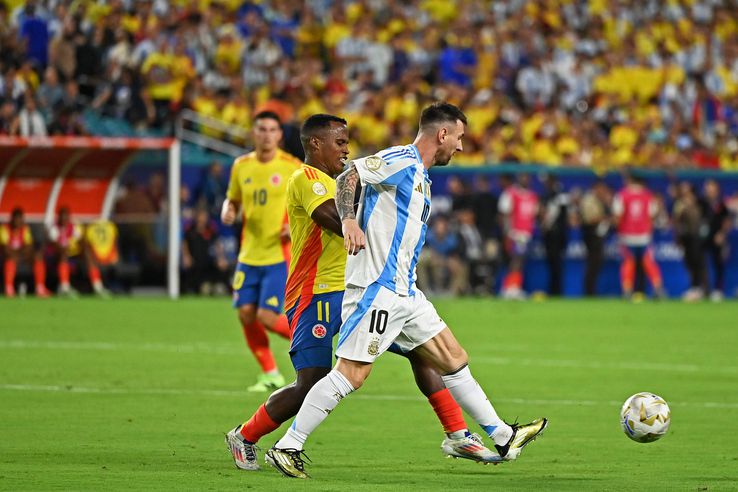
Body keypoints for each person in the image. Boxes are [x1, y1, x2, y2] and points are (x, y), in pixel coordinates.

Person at [265, 103, 547, 479]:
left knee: (452, 356)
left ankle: (502, 435)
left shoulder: (421, 175)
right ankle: (287, 446)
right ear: (442, 134)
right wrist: (348, 219)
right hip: (376, 290)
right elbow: (352, 175)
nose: (460, 148)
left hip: (405, 292)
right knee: (351, 374)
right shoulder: (402, 159)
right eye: (459, 138)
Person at [225, 113, 499, 472]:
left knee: (422, 350)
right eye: (339, 142)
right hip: (315, 293)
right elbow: (334, 219)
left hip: (360, 289)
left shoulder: (347, 181)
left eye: (347, 142)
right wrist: (392, 218)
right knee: (313, 382)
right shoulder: (306, 178)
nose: (346, 149)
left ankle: (458, 433)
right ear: (315, 144)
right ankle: (246, 435)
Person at [221, 111, 302, 392]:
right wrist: (228, 211)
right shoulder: (240, 166)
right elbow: (232, 200)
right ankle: (270, 374)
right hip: (248, 254)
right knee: (245, 314)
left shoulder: (292, 167)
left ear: (279, 135)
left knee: (267, 317)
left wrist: (293, 225)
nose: (267, 135)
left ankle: (312, 345)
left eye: (272, 130)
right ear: (253, 133)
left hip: (278, 254)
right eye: (261, 129)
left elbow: (307, 204)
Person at [612, 172, 665, 300]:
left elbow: (618, 215)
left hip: (626, 234)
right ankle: (658, 288)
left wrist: (617, 230)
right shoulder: (648, 196)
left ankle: (627, 290)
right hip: (644, 235)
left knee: (628, 262)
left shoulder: (622, 195)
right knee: (648, 261)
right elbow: (652, 215)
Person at [498, 173, 539, 299]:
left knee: (520, 261)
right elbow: (504, 213)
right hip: (514, 233)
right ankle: (510, 288)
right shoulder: (511, 193)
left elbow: (534, 215)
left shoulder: (533, 196)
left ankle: (514, 287)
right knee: (515, 260)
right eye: (522, 177)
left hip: (526, 234)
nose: (525, 179)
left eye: (527, 177)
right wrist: (507, 233)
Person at [1, 207, 50, 297]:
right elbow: (5, 247)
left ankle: (40, 287)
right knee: (10, 259)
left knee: (38, 256)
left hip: (22, 256)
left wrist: (19, 255)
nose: (18, 221)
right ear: (12, 219)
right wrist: (15, 255)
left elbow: (29, 246)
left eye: (20, 219)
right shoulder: (5, 229)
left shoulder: (25, 229)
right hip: (9, 256)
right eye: (16, 219)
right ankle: (9, 288)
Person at [673, 183, 707, 301]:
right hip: (686, 237)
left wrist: (691, 206)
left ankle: (700, 288)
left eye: (686, 189)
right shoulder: (680, 203)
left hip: (696, 237)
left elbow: (700, 218)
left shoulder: (699, 202)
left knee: (698, 263)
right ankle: (694, 288)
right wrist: (678, 238)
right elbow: (676, 221)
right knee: (689, 263)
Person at [700, 179, 731, 301]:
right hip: (703, 238)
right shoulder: (702, 203)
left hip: (717, 238)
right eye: (707, 189)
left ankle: (718, 290)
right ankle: (704, 289)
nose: (709, 191)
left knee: (718, 264)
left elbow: (727, 221)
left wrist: (722, 234)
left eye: (711, 189)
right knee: (701, 264)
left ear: (717, 190)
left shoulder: (721, 204)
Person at [579, 180, 611, 296]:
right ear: (596, 188)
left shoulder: (598, 200)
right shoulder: (589, 200)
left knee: (596, 264)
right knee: (592, 264)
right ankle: (589, 292)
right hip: (591, 234)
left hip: (596, 234)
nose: (603, 191)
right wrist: (605, 219)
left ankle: (591, 290)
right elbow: (590, 219)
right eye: (601, 189)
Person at [540, 175, 570, 296]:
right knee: (552, 263)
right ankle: (554, 290)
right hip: (551, 234)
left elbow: (561, 215)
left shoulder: (560, 195)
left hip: (558, 234)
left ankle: (557, 290)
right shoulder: (548, 195)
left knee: (557, 263)